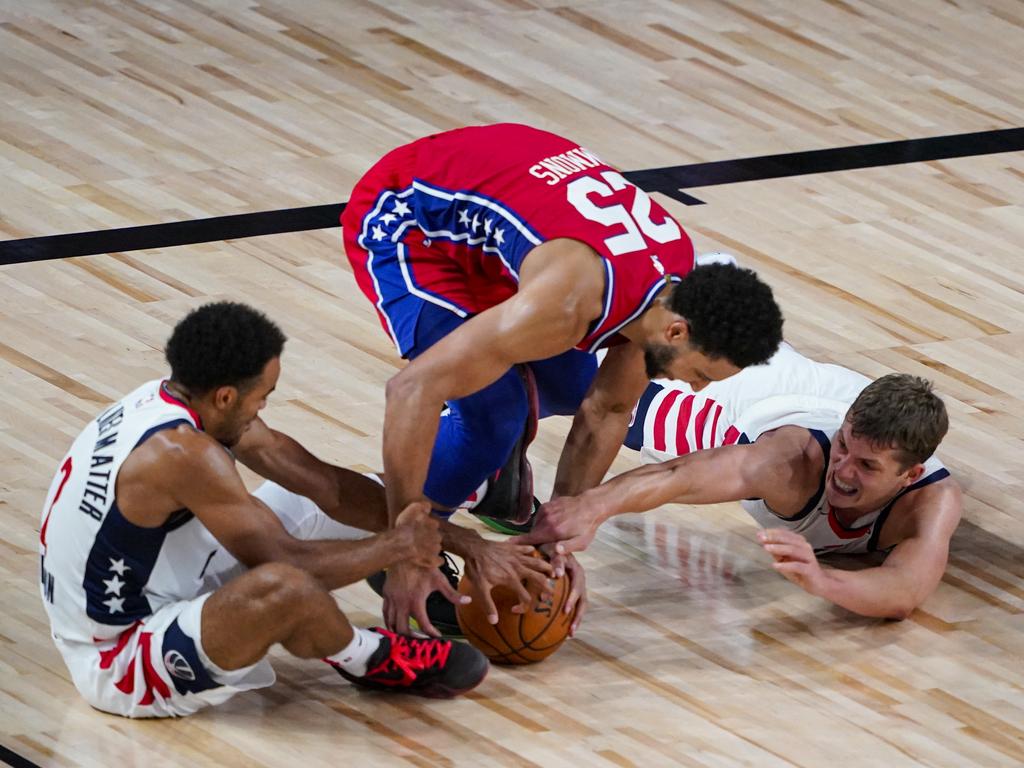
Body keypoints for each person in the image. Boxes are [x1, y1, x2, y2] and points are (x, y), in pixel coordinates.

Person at [341, 123, 784, 636]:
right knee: (494, 412)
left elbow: (608, 410)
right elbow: (410, 389)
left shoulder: (672, 290)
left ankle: (488, 473)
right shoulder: (567, 302)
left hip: (506, 211)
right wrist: (406, 553)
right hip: (412, 218)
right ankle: (398, 542)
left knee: (574, 387)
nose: (697, 388)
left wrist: (556, 538)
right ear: (678, 330)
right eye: (701, 373)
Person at [38, 302, 488, 719]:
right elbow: (287, 563)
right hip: (120, 658)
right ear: (226, 397)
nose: (265, 407)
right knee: (284, 586)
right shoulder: (179, 453)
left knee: (309, 500)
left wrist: (463, 542)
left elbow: (326, 486)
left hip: (157, 587)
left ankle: (362, 618)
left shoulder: (175, 402)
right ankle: (372, 659)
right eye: (263, 395)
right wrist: (396, 548)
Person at [518, 372, 962, 620]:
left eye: (867, 466)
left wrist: (822, 581)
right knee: (572, 380)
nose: (842, 471)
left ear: (911, 474)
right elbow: (680, 476)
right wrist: (588, 507)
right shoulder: (792, 462)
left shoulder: (930, 501)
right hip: (741, 390)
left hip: (806, 381)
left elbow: (904, 590)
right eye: (844, 445)